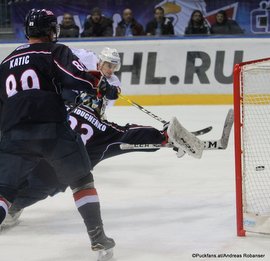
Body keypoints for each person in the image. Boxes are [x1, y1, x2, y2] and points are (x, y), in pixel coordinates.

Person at [2, 47, 186, 231]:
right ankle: (14, 206)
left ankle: (9, 203)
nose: (111, 69)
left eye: (114, 66)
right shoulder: (87, 62)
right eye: (108, 65)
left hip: (47, 137)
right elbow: (127, 134)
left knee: (21, 170)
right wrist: (163, 138)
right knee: (48, 184)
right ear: (100, 61)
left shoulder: (69, 108)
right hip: (72, 155)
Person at [0, 8, 120, 258]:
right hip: (52, 130)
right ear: (50, 30)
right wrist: (100, 85)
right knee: (81, 180)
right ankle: (98, 239)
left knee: (5, 191)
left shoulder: (6, 62)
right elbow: (79, 80)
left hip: (13, 134)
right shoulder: (55, 51)